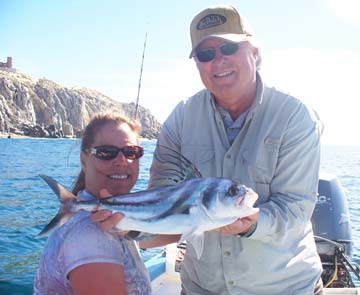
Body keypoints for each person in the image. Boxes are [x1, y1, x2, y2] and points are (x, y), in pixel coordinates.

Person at [93, 5, 324, 294]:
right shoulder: (180, 120)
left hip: (286, 288)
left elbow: (296, 208)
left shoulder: (295, 117)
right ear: (197, 65)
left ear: (254, 52)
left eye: (228, 47)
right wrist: (131, 227)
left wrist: (251, 224)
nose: (218, 60)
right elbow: (166, 203)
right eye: (205, 54)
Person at [34, 112, 152, 295]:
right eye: (106, 152)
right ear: (84, 160)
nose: (122, 161)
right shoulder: (89, 237)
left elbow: (174, 229)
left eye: (131, 152)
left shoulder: (116, 217)